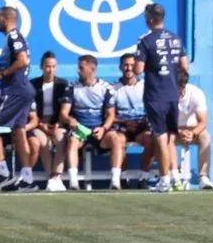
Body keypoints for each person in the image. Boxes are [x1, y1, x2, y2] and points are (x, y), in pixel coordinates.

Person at [135, 3, 190, 192]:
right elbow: (185, 66)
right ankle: (174, 177)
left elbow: (138, 69)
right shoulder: (175, 39)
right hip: (172, 94)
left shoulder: (145, 40)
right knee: (170, 138)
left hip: (155, 94)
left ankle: (165, 178)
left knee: (160, 136)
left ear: (150, 19)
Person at [0, 6, 36, 192]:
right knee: (18, 131)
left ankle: (3, 171)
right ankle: (27, 177)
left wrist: (1, 74)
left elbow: (22, 61)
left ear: (5, 18)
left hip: (15, 89)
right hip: (21, 88)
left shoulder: (14, 36)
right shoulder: (11, 38)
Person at [61, 55, 122, 190]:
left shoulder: (106, 88)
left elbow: (111, 115)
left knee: (115, 139)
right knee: (72, 140)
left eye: (81, 68)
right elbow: (64, 113)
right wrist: (71, 120)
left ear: (92, 69)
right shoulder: (72, 88)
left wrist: (103, 128)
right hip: (80, 129)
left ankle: (116, 180)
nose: (78, 71)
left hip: (99, 130)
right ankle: (73, 182)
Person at [29, 51, 70, 191]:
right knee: (43, 142)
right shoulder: (33, 85)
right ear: (41, 67)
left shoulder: (63, 85)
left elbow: (66, 109)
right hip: (39, 125)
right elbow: (31, 111)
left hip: (58, 124)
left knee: (60, 138)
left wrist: (57, 124)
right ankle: (51, 175)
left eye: (53, 66)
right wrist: (42, 125)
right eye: (47, 66)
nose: (50, 69)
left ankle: (57, 175)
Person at [113, 54, 154, 188]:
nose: (128, 68)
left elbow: (153, 110)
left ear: (137, 67)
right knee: (118, 140)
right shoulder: (113, 88)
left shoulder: (147, 86)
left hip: (142, 126)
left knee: (151, 140)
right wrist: (123, 122)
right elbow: (109, 115)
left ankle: (143, 177)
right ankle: (123, 178)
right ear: (120, 67)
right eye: (125, 65)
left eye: (131, 65)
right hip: (122, 127)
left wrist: (142, 121)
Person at [175, 69, 213, 189]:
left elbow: (203, 122)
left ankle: (203, 177)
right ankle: (172, 175)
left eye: (181, 87)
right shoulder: (165, 94)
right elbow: (163, 121)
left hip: (193, 128)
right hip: (173, 129)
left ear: (184, 85)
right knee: (162, 137)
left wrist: (192, 133)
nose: (178, 91)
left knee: (205, 137)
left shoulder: (196, 93)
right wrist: (178, 131)